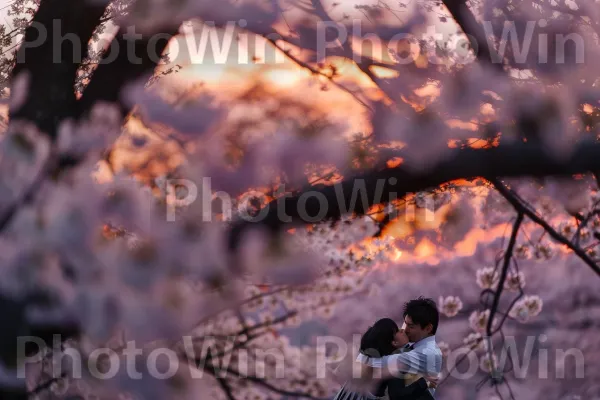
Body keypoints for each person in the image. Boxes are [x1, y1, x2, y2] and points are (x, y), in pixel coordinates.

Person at [356, 297, 443, 398]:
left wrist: (362, 357)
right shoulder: (413, 343)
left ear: (428, 328)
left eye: (411, 327)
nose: (405, 330)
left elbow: (383, 361)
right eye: (405, 324)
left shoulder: (427, 353)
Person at [333, 318, 433, 400]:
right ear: (394, 343)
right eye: (397, 331)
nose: (402, 330)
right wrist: (424, 382)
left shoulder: (367, 357)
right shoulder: (392, 363)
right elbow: (398, 395)